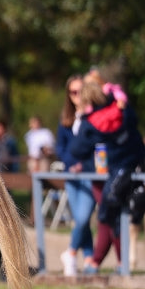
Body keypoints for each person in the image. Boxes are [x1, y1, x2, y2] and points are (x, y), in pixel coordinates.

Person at [70, 73, 145, 274]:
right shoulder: (120, 105)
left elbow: (77, 150)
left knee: (107, 214)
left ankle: (105, 263)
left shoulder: (90, 121)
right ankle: (110, 263)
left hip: (114, 171)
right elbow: (135, 121)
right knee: (115, 215)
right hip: (137, 162)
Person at [56, 75, 97, 276]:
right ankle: (89, 258)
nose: (77, 95)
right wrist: (71, 165)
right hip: (71, 176)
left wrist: (84, 164)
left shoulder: (93, 115)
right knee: (82, 219)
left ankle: (70, 253)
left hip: (89, 173)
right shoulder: (65, 119)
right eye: (73, 92)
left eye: (80, 91)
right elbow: (61, 148)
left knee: (82, 217)